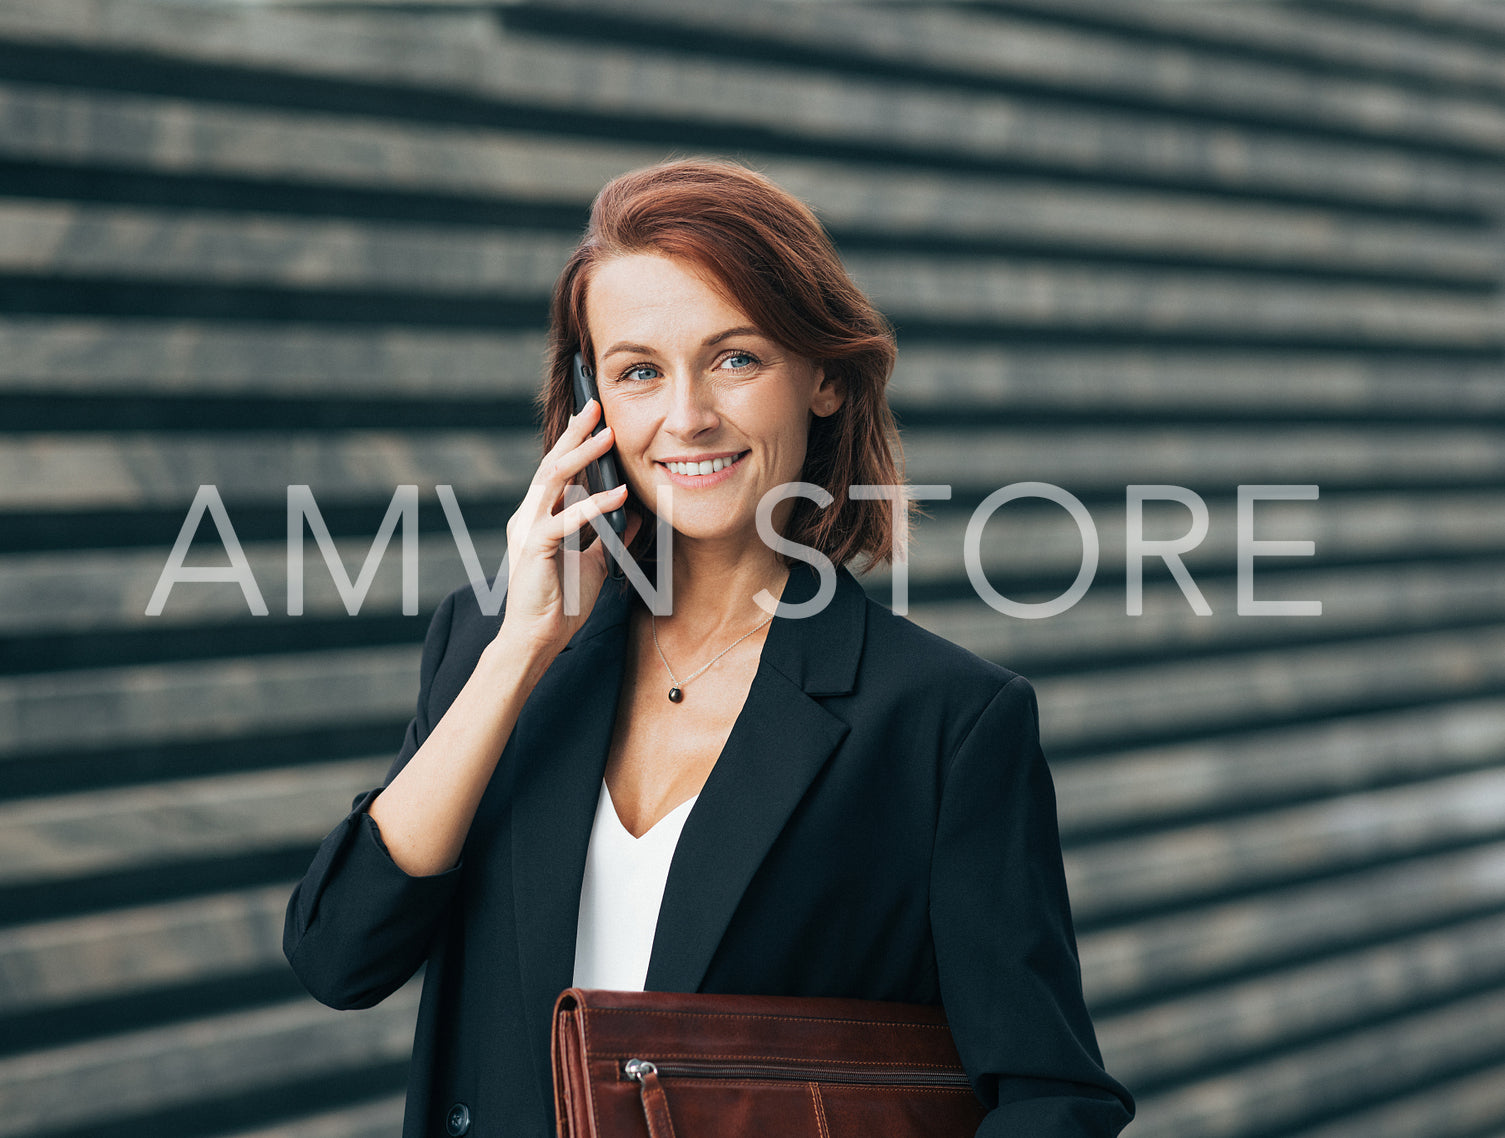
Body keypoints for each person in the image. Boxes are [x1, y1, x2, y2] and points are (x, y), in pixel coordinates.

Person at [284, 158, 1133, 1138]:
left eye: (734, 358)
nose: (684, 416)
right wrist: (519, 652)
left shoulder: (943, 721)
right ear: (588, 401)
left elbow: (1051, 1094)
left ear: (820, 376)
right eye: (638, 370)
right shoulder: (490, 647)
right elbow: (335, 953)